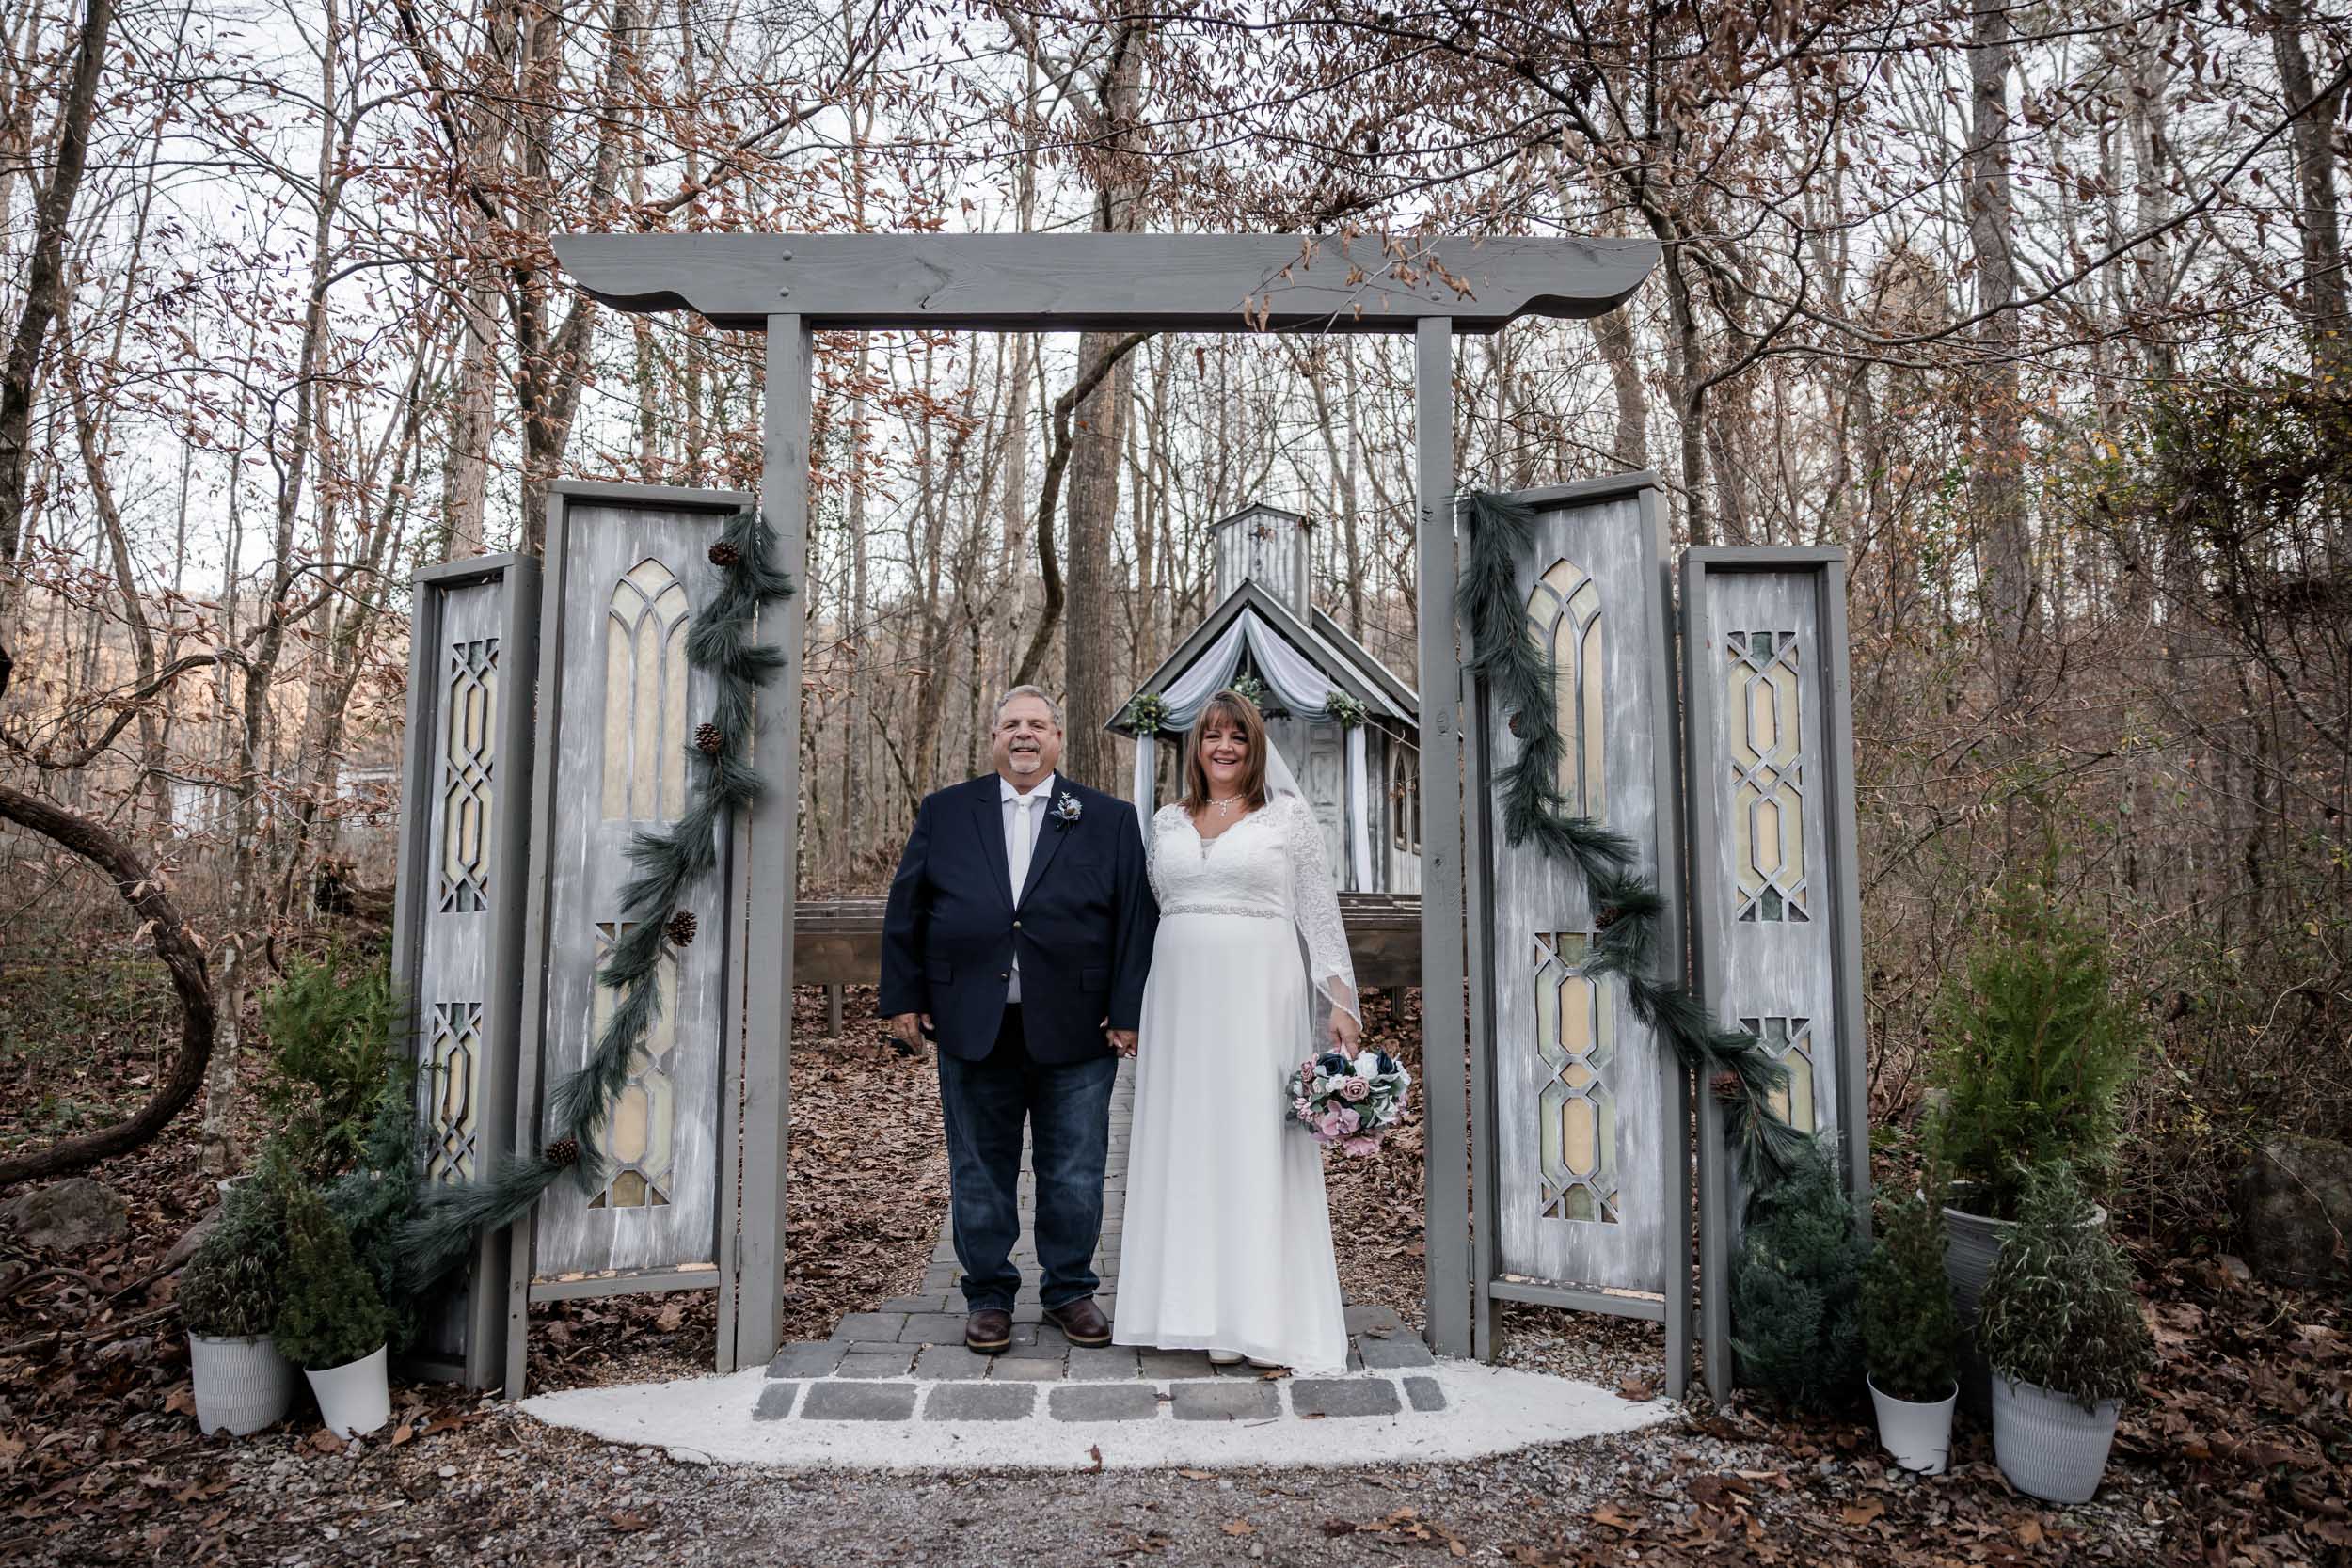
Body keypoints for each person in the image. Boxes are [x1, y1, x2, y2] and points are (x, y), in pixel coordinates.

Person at [879, 686, 1157, 1354]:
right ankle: (989, 1294)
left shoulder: (1107, 817)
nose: (1024, 735)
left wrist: (1128, 1012)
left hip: (1077, 1027)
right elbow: (906, 908)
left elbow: (1134, 922)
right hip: (973, 1021)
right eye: (1011, 724)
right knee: (979, 1168)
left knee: (1075, 1170)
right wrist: (901, 998)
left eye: (1037, 724)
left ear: (1058, 739)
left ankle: (1069, 1289)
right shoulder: (946, 812)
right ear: (994, 737)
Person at [1114, 688, 1360, 1374]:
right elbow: (1146, 915)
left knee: (1253, 1138)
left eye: (1238, 738)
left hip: (1260, 995)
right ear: (1196, 747)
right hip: (1180, 1001)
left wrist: (1341, 1002)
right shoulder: (1166, 820)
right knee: (1186, 1137)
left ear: (1254, 748)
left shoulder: (1285, 818)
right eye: (1212, 736)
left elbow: (1319, 913)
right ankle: (1187, 1307)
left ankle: (1258, 1314)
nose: (1223, 747)